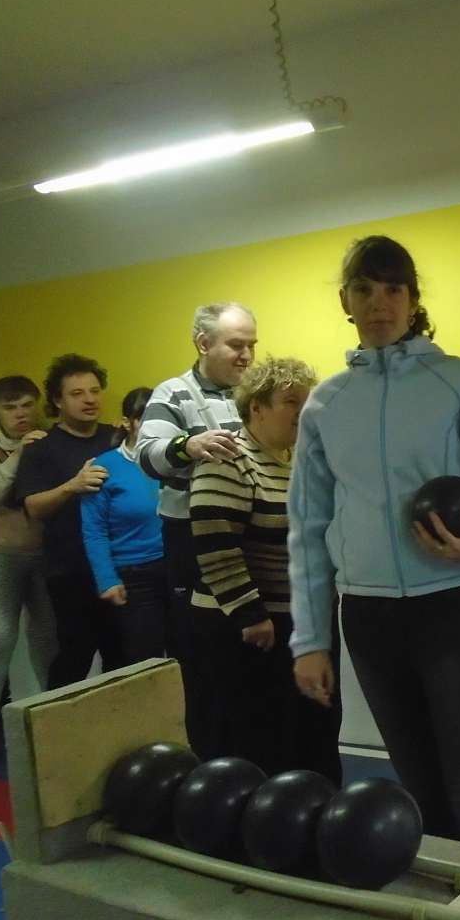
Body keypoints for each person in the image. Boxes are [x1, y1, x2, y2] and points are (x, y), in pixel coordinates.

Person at [289, 235, 460, 847]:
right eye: (365, 289)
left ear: (412, 300)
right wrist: (311, 640)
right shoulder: (325, 404)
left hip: (456, 606)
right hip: (369, 615)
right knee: (418, 786)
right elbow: (308, 528)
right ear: (345, 300)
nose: (380, 302)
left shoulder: (456, 380)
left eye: (394, 289)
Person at [189, 357, 339, 781]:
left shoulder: (300, 462)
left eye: (309, 403)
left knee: (311, 735)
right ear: (256, 406)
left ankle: (313, 813)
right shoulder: (230, 458)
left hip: (301, 624)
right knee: (258, 746)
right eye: (292, 402)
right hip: (249, 630)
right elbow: (215, 542)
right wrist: (249, 614)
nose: (303, 413)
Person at [136, 302, 255, 750]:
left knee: (247, 649)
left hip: (247, 537)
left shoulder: (253, 393)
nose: (247, 355)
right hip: (191, 538)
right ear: (204, 343)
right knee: (201, 653)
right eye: (236, 345)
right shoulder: (173, 393)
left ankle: (248, 754)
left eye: (252, 345)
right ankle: (207, 758)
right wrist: (189, 444)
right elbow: (147, 455)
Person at [14, 355, 122, 688]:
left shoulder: (117, 438)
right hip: (69, 570)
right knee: (74, 656)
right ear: (58, 401)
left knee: (122, 657)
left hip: (122, 566)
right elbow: (33, 507)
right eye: (77, 393)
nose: (89, 399)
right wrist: (72, 486)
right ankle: (57, 721)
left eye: (94, 391)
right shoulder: (41, 448)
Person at [0, 377, 57, 771]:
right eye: (10, 407)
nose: (21, 414)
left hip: (43, 550)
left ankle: (52, 719)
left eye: (26, 405)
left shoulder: (50, 437)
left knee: (47, 637)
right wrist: (21, 452)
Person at [81, 388, 172, 666]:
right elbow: (94, 529)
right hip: (134, 575)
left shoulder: (175, 460)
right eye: (144, 418)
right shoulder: (104, 466)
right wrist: (107, 578)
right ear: (127, 422)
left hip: (176, 567)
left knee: (188, 652)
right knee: (146, 660)